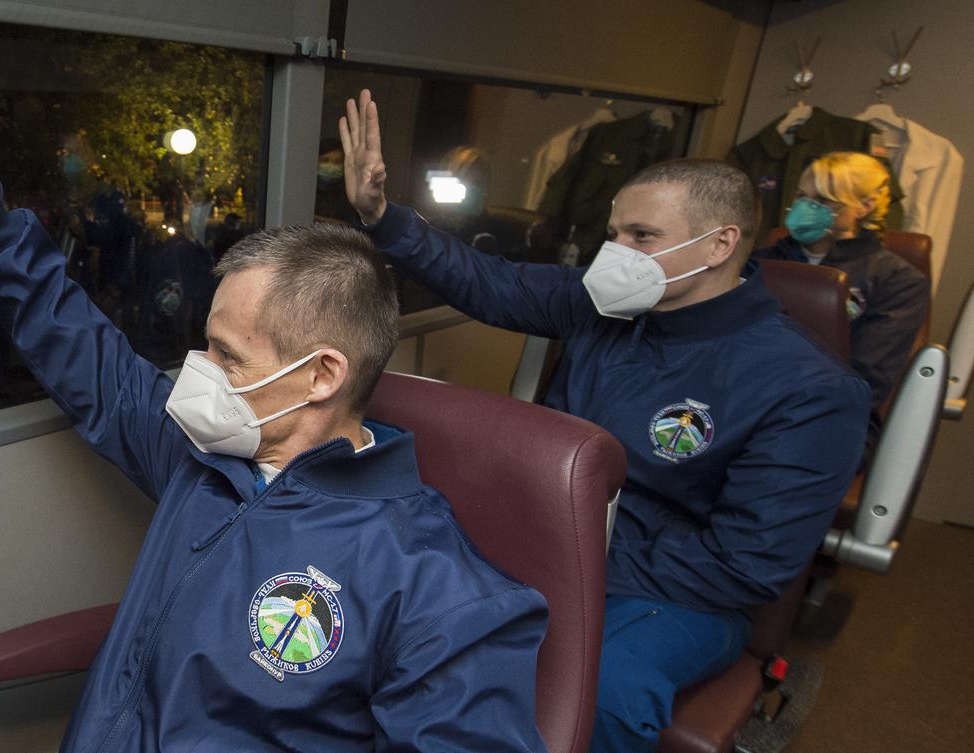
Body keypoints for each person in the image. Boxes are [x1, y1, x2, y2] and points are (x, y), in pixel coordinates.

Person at [0, 88, 549, 753]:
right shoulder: (204, 459)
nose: (199, 371)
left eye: (227, 355)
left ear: (322, 375)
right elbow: (90, 363)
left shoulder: (439, 588)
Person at [339, 89, 871, 753]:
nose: (616, 251)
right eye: (615, 232)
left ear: (720, 244)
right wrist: (385, 218)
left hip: (675, 589)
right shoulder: (604, 304)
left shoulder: (810, 389)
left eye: (642, 236)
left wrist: (573, 562)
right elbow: (488, 281)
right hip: (550, 533)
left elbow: (742, 566)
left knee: (605, 694)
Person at [753, 151, 929, 460]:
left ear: (864, 206)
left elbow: (865, 380)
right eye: (802, 197)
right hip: (745, 403)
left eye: (824, 201)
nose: (807, 209)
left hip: (830, 421)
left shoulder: (896, 280)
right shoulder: (761, 262)